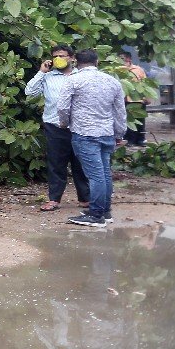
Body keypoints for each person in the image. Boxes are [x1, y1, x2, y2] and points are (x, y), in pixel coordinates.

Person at [58, 49, 127, 227]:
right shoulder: (112, 81)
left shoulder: (73, 80)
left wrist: (64, 123)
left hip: (84, 134)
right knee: (104, 174)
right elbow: (120, 112)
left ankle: (96, 216)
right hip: (106, 134)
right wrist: (119, 134)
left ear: (75, 62)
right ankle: (105, 211)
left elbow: (63, 107)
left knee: (95, 176)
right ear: (97, 62)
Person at [25, 45, 90, 212]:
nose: (59, 59)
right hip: (54, 126)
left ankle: (85, 199)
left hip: (78, 126)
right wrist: (42, 72)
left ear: (72, 58)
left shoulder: (80, 76)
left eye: (62, 55)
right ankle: (54, 199)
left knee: (80, 164)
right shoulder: (48, 77)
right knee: (56, 164)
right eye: (55, 56)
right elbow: (29, 92)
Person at [121, 51, 148, 147]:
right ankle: (130, 140)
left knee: (140, 121)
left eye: (123, 58)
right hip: (126, 99)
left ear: (128, 59)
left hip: (139, 99)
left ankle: (141, 139)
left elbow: (145, 84)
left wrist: (146, 98)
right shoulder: (119, 70)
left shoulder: (138, 69)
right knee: (129, 121)